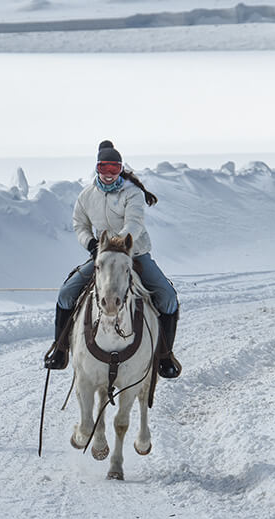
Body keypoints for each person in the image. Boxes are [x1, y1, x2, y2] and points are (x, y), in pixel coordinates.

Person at [44, 140, 181, 378]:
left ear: (120, 169)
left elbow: (134, 223)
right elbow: (80, 225)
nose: (108, 174)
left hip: (134, 254)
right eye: (104, 168)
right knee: (66, 294)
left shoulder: (131, 193)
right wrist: (91, 243)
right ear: (97, 168)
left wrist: (118, 243)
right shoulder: (86, 196)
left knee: (168, 298)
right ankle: (60, 350)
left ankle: (165, 357)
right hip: (102, 257)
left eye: (114, 169)